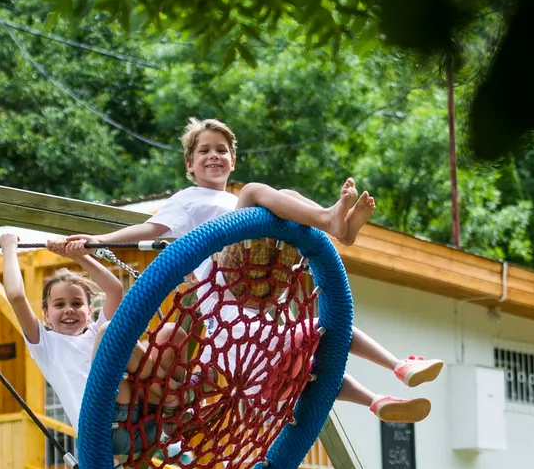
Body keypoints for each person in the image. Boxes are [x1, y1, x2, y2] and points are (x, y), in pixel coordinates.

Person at [65, 117, 443, 423]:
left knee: (317, 342)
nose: (214, 156)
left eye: (222, 150)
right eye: (204, 151)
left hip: (257, 300)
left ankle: (388, 385)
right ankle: (333, 222)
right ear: (189, 164)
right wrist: (101, 240)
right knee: (256, 193)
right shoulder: (189, 199)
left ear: (233, 159)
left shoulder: (228, 200)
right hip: (227, 287)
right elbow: (149, 230)